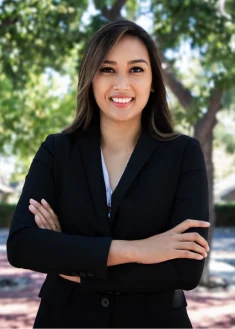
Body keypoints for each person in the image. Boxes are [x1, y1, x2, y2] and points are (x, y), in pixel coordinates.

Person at [7, 19, 210, 328]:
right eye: (107, 69)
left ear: (154, 80)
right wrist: (141, 250)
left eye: (136, 69)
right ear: (91, 78)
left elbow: (185, 270)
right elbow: (23, 246)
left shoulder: (184, 154)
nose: (122, 84)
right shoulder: (56, 151)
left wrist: (74, 261)